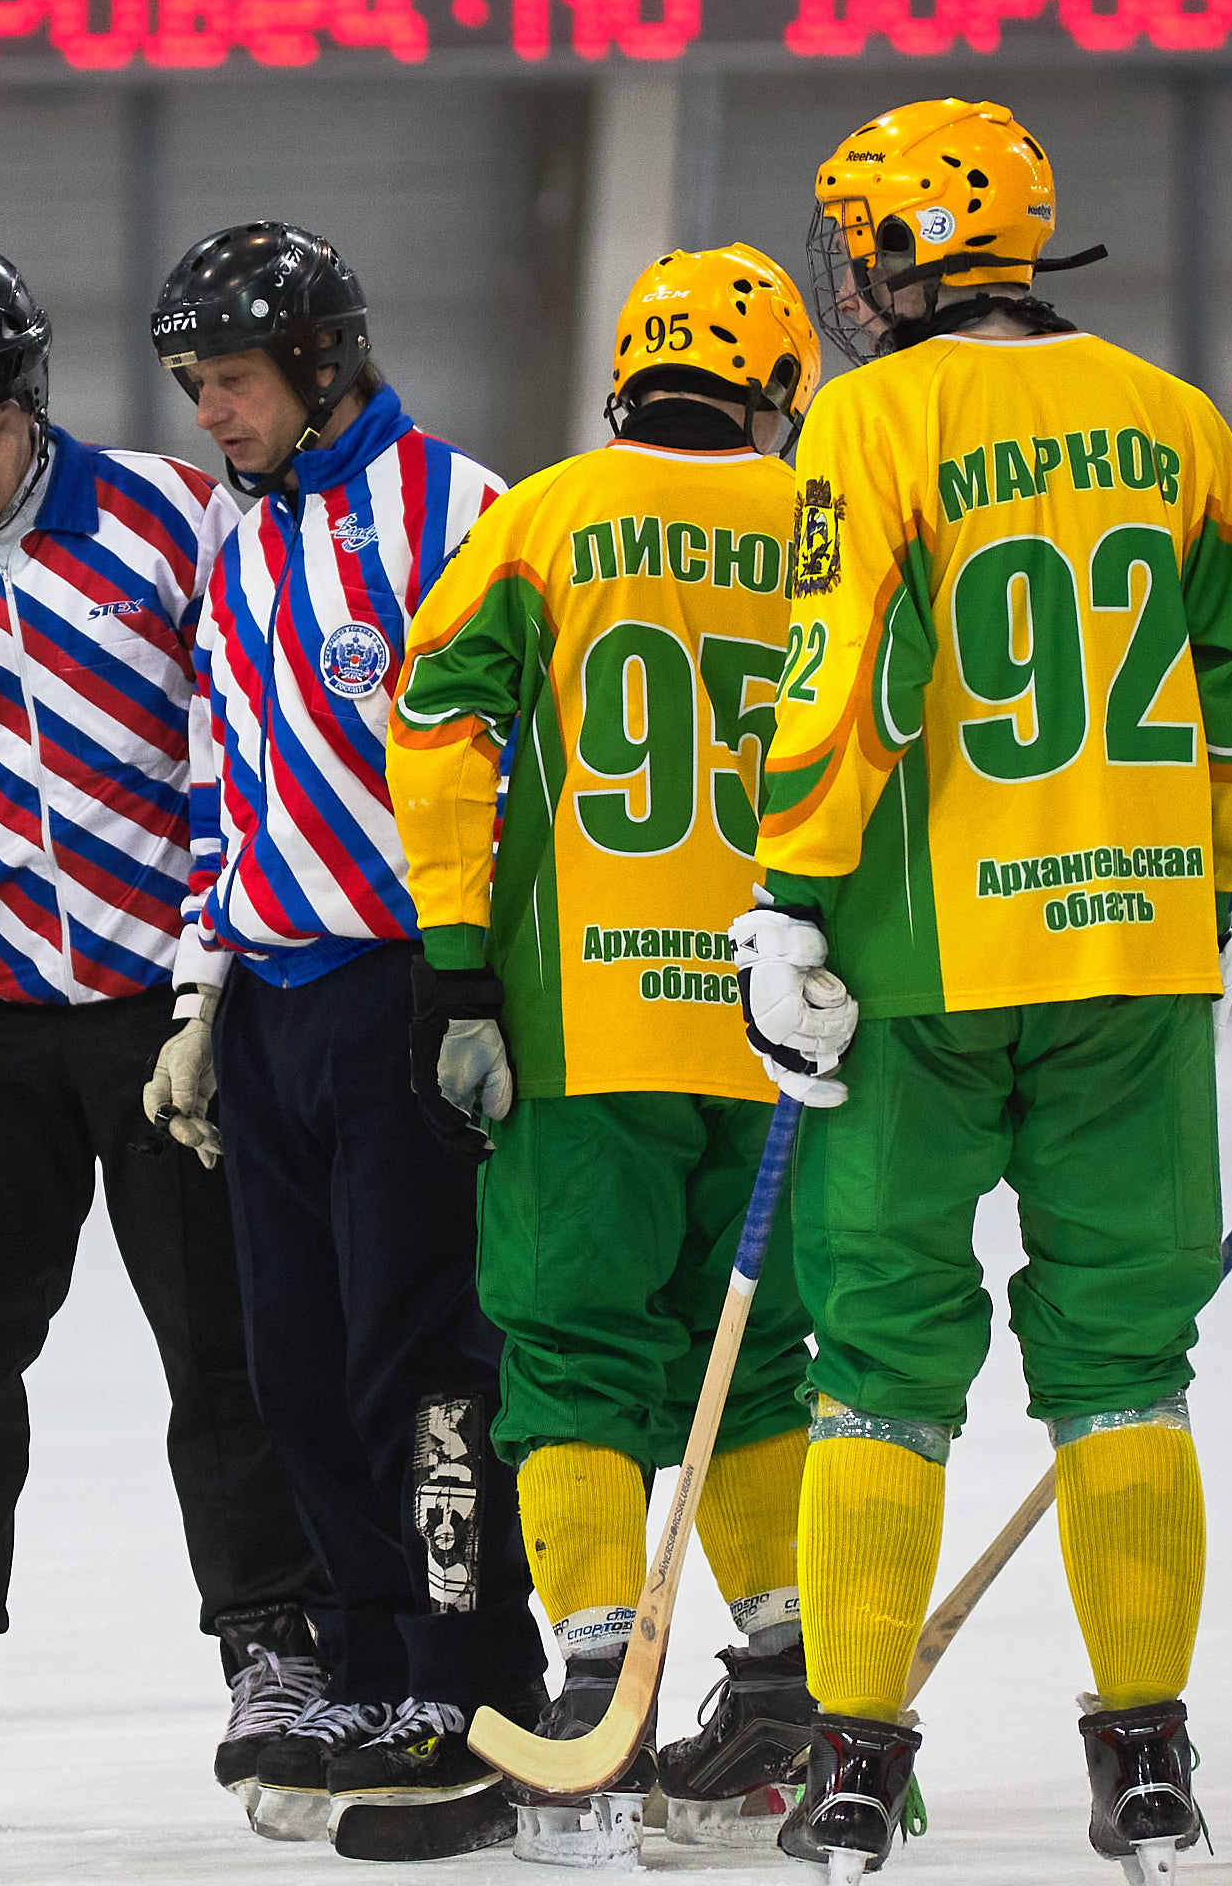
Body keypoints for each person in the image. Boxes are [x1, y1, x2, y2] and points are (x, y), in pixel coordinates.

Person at [743, 100, 1232, 1881]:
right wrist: (1206, 885)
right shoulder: (1179, 418)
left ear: (900, 248)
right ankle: (1147, 1768)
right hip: (1136, 952)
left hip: (924, 967)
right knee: (1126, 1365)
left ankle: (856, 1765)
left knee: (882, 1363)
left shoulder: (876, 413)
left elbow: (837, 685)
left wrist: (788, 904)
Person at [0, 243, 327, 1835]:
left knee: (225, 1342)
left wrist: (220, 957)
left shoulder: (176, 517)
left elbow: (248, 732)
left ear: (32, 404)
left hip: (175, 1006)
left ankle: (277, 1643)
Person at [387, 243, 828, 1866]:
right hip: (795, 1014)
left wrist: (451, 967)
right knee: (765, 1349)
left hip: (588, 1013)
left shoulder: (545, 518)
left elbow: (434, 726)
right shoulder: (825, 518)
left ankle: (591, 1698)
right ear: (781, 390)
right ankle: (786, 1675)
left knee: (573, 1346)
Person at [152, 219, 547, 1855]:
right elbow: (223, 775)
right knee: (294, 1368)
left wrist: (492, 985)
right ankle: (376, 1668)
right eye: (192, 386)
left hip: (410, 996)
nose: (211, 415)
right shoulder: (239, 537)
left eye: (231, 380)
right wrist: (204, 987)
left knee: (423, 1365)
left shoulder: (459, 511)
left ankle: (473, 1690)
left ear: (321, 362)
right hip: (278, 1000)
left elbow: (534, 758)